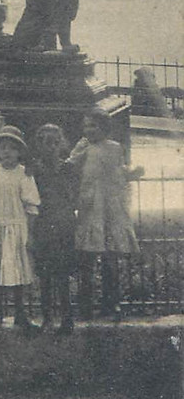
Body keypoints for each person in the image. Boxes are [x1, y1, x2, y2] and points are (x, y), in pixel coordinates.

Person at [67, 109, 143, 321]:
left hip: (111, 208)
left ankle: (111, 303)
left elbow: (120, 172)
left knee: (110, 257)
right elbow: (69, 167)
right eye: (87, 126)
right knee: (87, 258)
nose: (90, 130)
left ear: (106, 128)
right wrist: (76, 154)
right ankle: (85, 304)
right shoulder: (83, 147)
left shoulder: (115, 148)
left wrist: (133, 173)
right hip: (90, 207)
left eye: (94, 126)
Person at [0, 126, 40, 331]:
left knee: (16, 272)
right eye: (3, 148)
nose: (7, 152)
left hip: (15, 227)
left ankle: (20, 314)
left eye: (12, 148)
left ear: (20, 151)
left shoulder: (24, 174)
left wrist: (28, 233)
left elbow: (31, 206)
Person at [30, 124, 78, 333]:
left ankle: (67, 318)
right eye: (45, 142)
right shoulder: (33, 169)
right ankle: (47, 318)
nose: (50, 147)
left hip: (63, 225)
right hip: (43, 226)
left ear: (61, 144)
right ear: (39, 145)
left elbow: (74, 196)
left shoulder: (67, 168)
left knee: (62, 274)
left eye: (55, 142)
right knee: (45, 275)